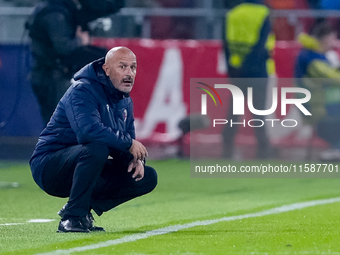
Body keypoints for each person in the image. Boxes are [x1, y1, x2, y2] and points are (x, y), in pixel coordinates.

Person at [29, 47, 158, 233]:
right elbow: (88, 132)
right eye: (122, 67)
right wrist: (129, 144)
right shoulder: (83, 90)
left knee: (146, 176)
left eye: (133, 67)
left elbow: (125, 143)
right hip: (49, 167)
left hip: (85, 165)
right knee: (97, 147)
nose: (129, 73)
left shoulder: (125, 101)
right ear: (106, 69)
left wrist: (135, 160)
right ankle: (72, 218)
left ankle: (81, 208)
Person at [222, 0, 275, 159]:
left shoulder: (233, 13)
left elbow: (225, 43)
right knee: (259, 113)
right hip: (257, 71)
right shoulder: (263, 13)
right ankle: (263, 151)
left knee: (233, 112)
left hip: (236, 71)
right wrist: (250, 65)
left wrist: (232, 68)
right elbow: (261, 44)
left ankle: (227, 148)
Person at [295, 22, 340, 161]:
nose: (334, 43)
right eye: (333, 39)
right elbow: (333, 78)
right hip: (315, 105)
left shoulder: (315, 55)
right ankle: (336, 147)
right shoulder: (312, 58)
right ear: (325, 38)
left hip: (321, 100)